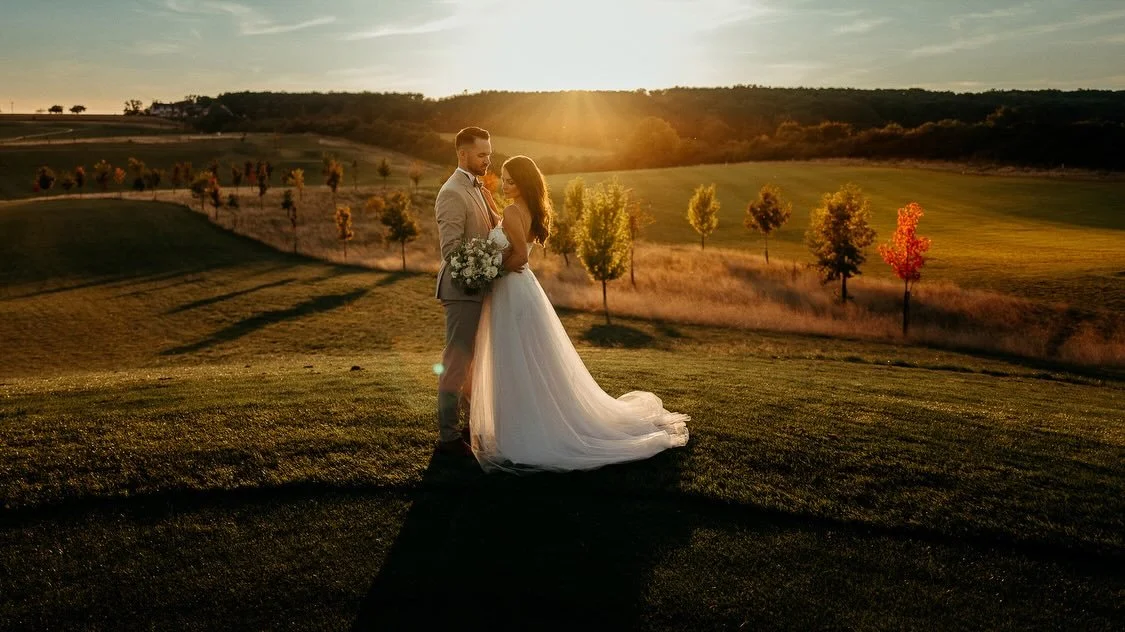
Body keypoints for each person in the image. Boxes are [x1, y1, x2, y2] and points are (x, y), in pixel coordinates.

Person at [468, 155, 688, 472]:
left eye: (510, 180)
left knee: (513, 358)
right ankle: (528, 420)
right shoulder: (526, 209)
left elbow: (518, 258)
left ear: (524, 182)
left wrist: (488, 270)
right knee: (529, 360)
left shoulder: (514, 210)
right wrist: (490, 203)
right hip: (523, 291)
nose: (504, 184)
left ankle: (522, 430)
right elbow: (511, 233)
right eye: (503, 178)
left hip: (511, 289)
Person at [433, 127, 504, 457]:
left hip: (480, 288)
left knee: (473, 363)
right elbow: (451, 250)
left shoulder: (477, 187)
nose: (488, 160)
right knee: (457, 363)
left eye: (489, 154)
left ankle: (470, 424)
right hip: (462, 289)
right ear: (462, 154)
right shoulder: (452, 192)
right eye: (481, 155)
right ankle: (448, 437)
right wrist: (487, 265)